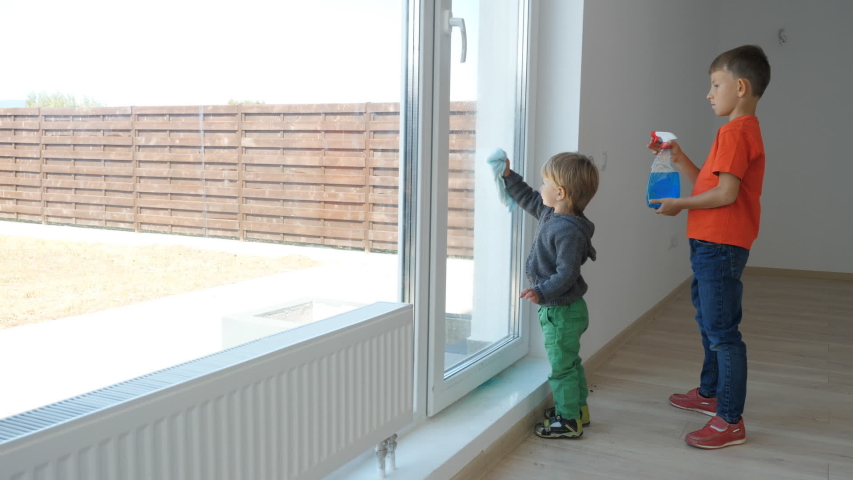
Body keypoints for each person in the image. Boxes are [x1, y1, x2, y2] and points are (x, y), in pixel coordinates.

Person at [648, 44, 771, 449]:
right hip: (711, 242)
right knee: (709, 322)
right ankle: (710, 394)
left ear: (739, 87)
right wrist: (681, 159)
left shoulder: (736, 131)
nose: (709, 93)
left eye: (715, 84)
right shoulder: (736, 131)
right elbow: (712, 183)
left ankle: (730, 420)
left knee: (723, 332)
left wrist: (679, 203)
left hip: (719, 243)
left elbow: (725, 195)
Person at [501, 152, 599, 438]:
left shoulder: (568, 231)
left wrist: (540, 291)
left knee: (561, 368)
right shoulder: (552, 212)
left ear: (560, 192)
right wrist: (509, 177)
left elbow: (566, 274)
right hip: (566, 310)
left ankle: (568, 421)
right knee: (571, 362)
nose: (540, 187)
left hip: (561, 311)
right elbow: (530, 198)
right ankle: (579, 410)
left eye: (545, 182)